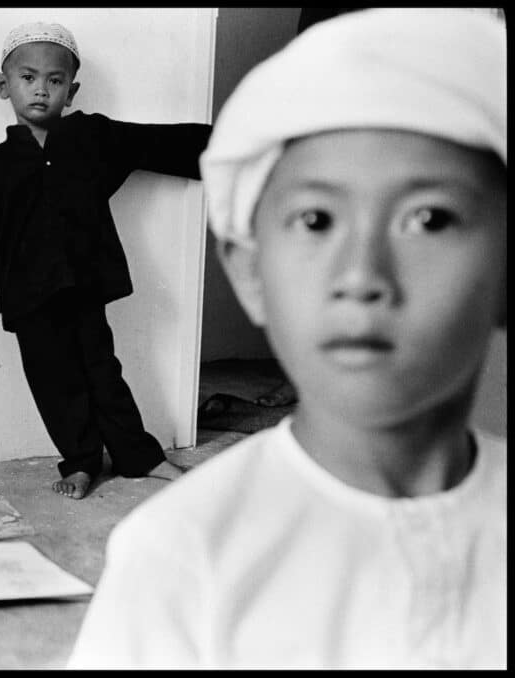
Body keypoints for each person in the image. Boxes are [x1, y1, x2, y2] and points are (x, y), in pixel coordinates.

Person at [69, 8, 506, 669]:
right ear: (250, 272)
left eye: (429, 218)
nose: (362, 276)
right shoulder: (183, 554)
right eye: (315, 218)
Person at [0, 22, 212, 499]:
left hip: (84, 286)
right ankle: (81, 461)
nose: (41, 89)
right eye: (28, 78)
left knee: (103, 372)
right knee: (54, 382)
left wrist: (242, 142)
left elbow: (163, 143)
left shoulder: (93, 137)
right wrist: (9, 305)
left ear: (72, 89)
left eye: (55, 80)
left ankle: (139, 457)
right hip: (31, 298)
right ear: (4, 85)